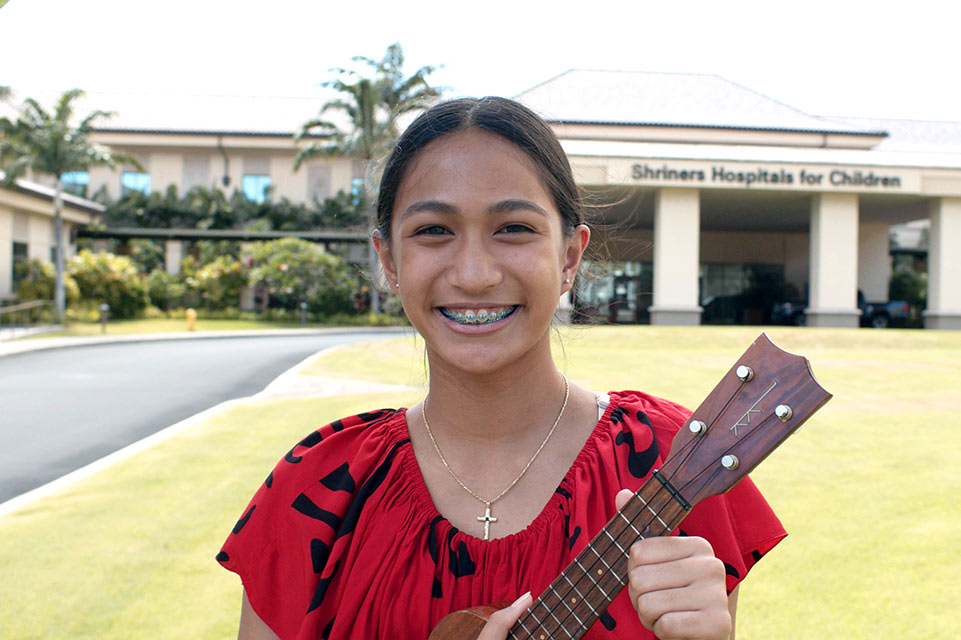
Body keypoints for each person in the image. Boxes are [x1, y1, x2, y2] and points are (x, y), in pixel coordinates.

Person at [218, 97, 786, 640]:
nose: (473, 273)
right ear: (389, 260)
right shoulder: (318, 491)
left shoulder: (668, 465)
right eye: (433, 230)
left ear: (568, 257)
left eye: (513, 228)